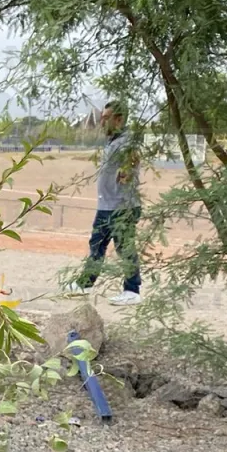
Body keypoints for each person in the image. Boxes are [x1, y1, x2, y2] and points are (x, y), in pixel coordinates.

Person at [63, 99, 143, 306]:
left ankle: (132, 291)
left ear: (119, 119)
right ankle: (85, 283)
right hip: (106, 205)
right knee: (97, 245)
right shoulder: (113, 141)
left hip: (122, 206)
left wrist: (127, 172)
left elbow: (134, 159)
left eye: (106, 118)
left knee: (124, 247)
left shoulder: (127, 141)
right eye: (102, 118)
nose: (102, 123)